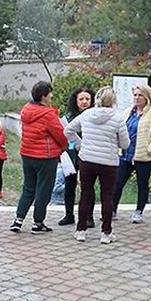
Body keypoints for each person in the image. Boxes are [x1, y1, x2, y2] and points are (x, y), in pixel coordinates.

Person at [64, 87, 130, 244]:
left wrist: (81, 144)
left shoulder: (87, 114)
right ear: (113, 101)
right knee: (107, 196)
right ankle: (106, 233)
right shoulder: (118, 118)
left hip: (87, 160)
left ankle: (81, 230)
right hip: (109, 162)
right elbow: (125, 144)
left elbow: (68, 131)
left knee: (85, 194)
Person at [12, 81, 69, 233]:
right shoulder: (48, 114)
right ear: (44, 96)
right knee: (43, 190)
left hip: (27, 154)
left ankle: (18, 220)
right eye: (50, 93)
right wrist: (64, 147)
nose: (52, 96)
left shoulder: (26, 110)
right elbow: (60, 135)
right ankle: (38, 222)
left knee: (28, 188)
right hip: (46, 156)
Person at [113, 84, 151, 223]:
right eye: (135, 95)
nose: (137, 98)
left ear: (147, 97)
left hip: (144, 156)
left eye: (140, 95)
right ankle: (112, 210)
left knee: (142, 183)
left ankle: (138, 212)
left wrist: (150, 148)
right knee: (117, 183)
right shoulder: (127, 112)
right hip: (125, 154)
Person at [58, 88, 94, 225]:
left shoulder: (94, 116)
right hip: (71, 156)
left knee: (87, 187)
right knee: (69, 186)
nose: (84, 102)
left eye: (87, 99)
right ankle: (69, 215)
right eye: (81, 99)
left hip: (88, 155)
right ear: (75, 100)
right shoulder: (68, 118)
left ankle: (88, 217)